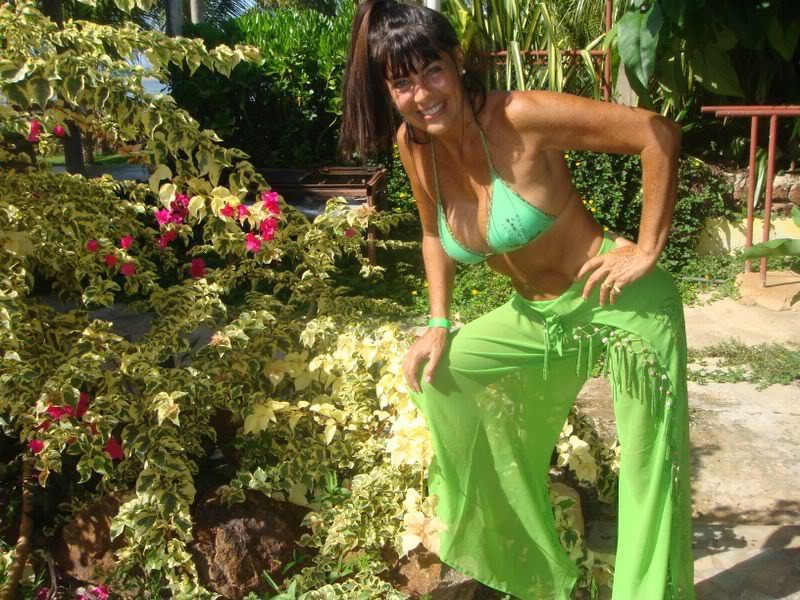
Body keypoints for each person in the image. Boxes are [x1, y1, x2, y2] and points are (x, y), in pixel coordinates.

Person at [339, 1, 694, 598]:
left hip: (621, 303)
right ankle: (532, 562)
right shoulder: (415, 145)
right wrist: (438, 322)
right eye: (402, 83)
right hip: (536, 317)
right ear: (387, 91)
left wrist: (647, 249)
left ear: (457, 62)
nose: (422, 95)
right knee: (444, 374)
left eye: (432, 71)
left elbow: (657, 134)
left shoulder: (520, 115)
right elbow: (432, 234)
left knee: (647, 469)